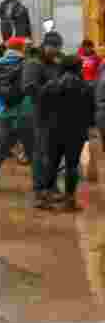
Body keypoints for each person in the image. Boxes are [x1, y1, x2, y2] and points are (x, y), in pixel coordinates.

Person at [0, 37, 36, 191]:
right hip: (23, 111)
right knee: (34, 150)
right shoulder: (26, 63)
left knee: (0, 149)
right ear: (21, 48)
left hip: (3, 112)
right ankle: (44, 184)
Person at [38, 55, 95, 212]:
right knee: (72, 165)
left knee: (51, 163)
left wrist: (45, 125)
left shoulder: (50, 85)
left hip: (53, 131)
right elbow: (91, 114)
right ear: (78, 68)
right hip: (76, 133)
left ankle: (46, 197)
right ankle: (69, 201)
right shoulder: (86, 87)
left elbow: (41, 109)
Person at [24, 31, 64, 206]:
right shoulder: (34, 63)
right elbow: (29, 89)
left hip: (55, 115)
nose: (55, 50)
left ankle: (52, 186)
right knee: (41, 153)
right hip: (40, 115)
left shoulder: (56, 63)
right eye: (53, 47)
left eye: (58, 47)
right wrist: (50, 87)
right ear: (45, 45)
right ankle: (40, 190)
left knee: (53, 153)